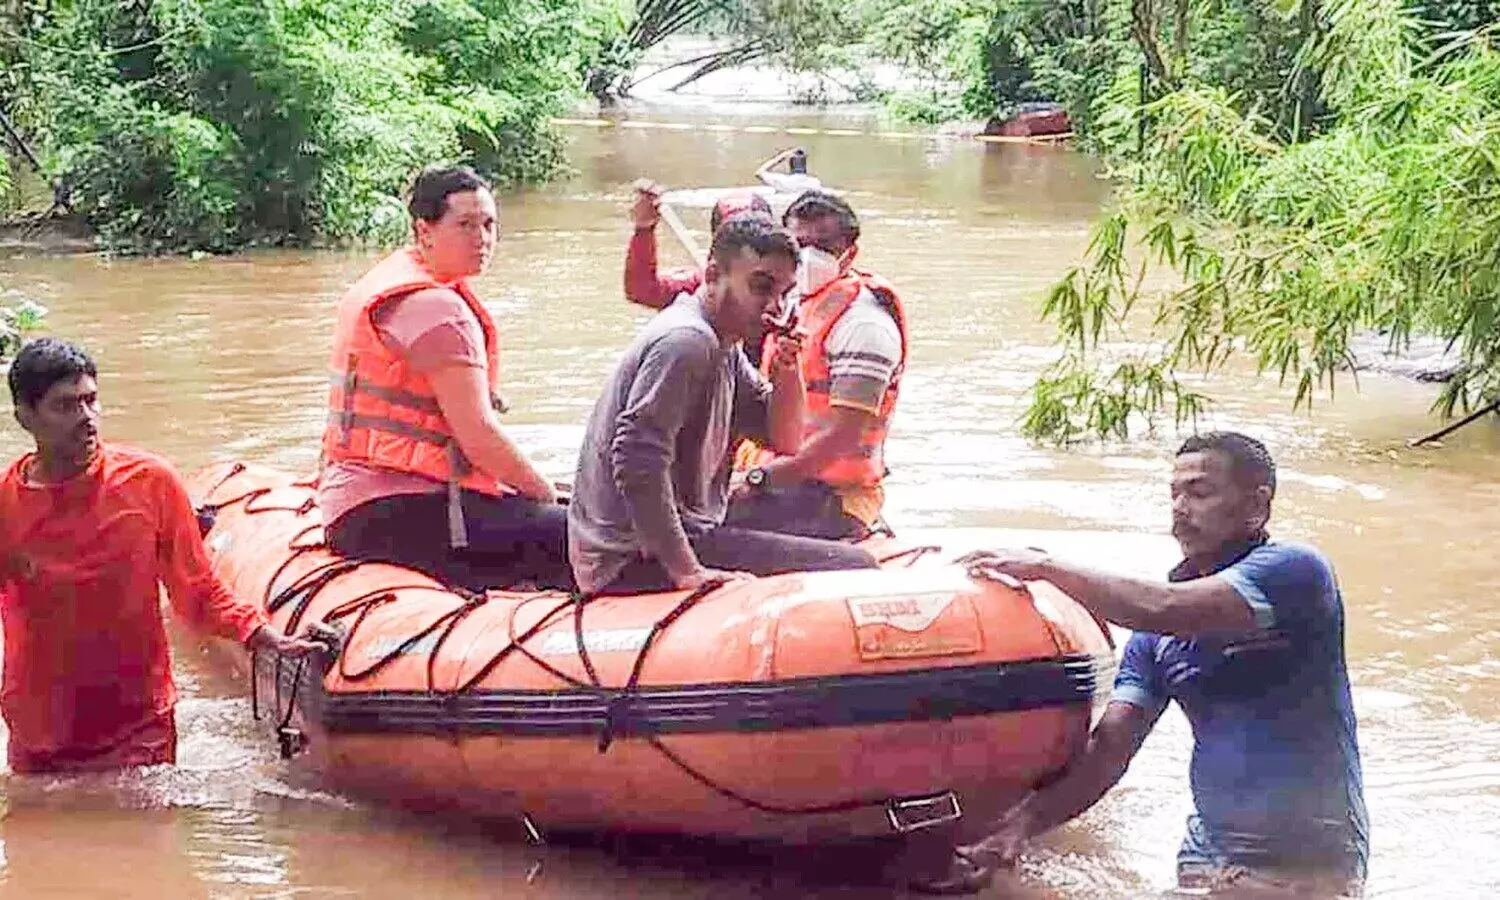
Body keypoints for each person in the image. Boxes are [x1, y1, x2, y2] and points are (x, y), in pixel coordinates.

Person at [913, 432, 1369, 896]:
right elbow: (1109, 751)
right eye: (1174, 493)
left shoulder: (1296, 573)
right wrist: (1016, 828)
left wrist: (1046, 567)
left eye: (1199, 492)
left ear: (1257, 506)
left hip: (1303, 859)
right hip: (1204, 854)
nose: (1180, 506)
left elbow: (1164, 606)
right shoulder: (1154, 643)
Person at [0, 338, 326, 775]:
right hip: (39, 731)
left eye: (91, 401)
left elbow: (196, 590)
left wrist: (262, 635)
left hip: (138, 726)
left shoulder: (150, 483)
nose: (87, 419)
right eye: (66, 407)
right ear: (25, 417)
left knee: (148, 838)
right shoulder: (6, 503)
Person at [568, 217, 878, 595]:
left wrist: (786, 366)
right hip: (629, 557)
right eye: (761, 287)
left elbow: (785, 439)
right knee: (856, 567)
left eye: (784, 293)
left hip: (691, 530)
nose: (774, 306)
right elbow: (637, 461)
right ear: (713, 275)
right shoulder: (687, 342)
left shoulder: (724, 344)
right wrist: (688, 572)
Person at [319, 165, 573, 593]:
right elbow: (478, 436)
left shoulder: (391, 279)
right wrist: (544, 493)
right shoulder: (438, 311)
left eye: (489, 224)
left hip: (355, 502)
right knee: (594, 537)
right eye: (465, 225)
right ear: (426, 230)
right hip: (398, 510)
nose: (482, 238)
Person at [727, 190, 907, 542]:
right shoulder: (794, 304)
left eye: (824, 247)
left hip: (832, 495)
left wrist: (758, 480)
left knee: (695, 525)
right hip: (784, 478)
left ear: (850, 253)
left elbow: (842, 438)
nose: (810, 256)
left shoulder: (864, 324)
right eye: (800, 244)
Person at [622, 179, 773, 312]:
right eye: (736, 241)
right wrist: (644, 229)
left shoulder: (788, 288)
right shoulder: (700, 286)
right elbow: (640, 291)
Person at [755, 147, 824, 196]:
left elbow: (759, 172)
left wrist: (781, 156)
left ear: (790, 166)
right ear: (805, 166)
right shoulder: (815, 183)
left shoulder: (781, 181)